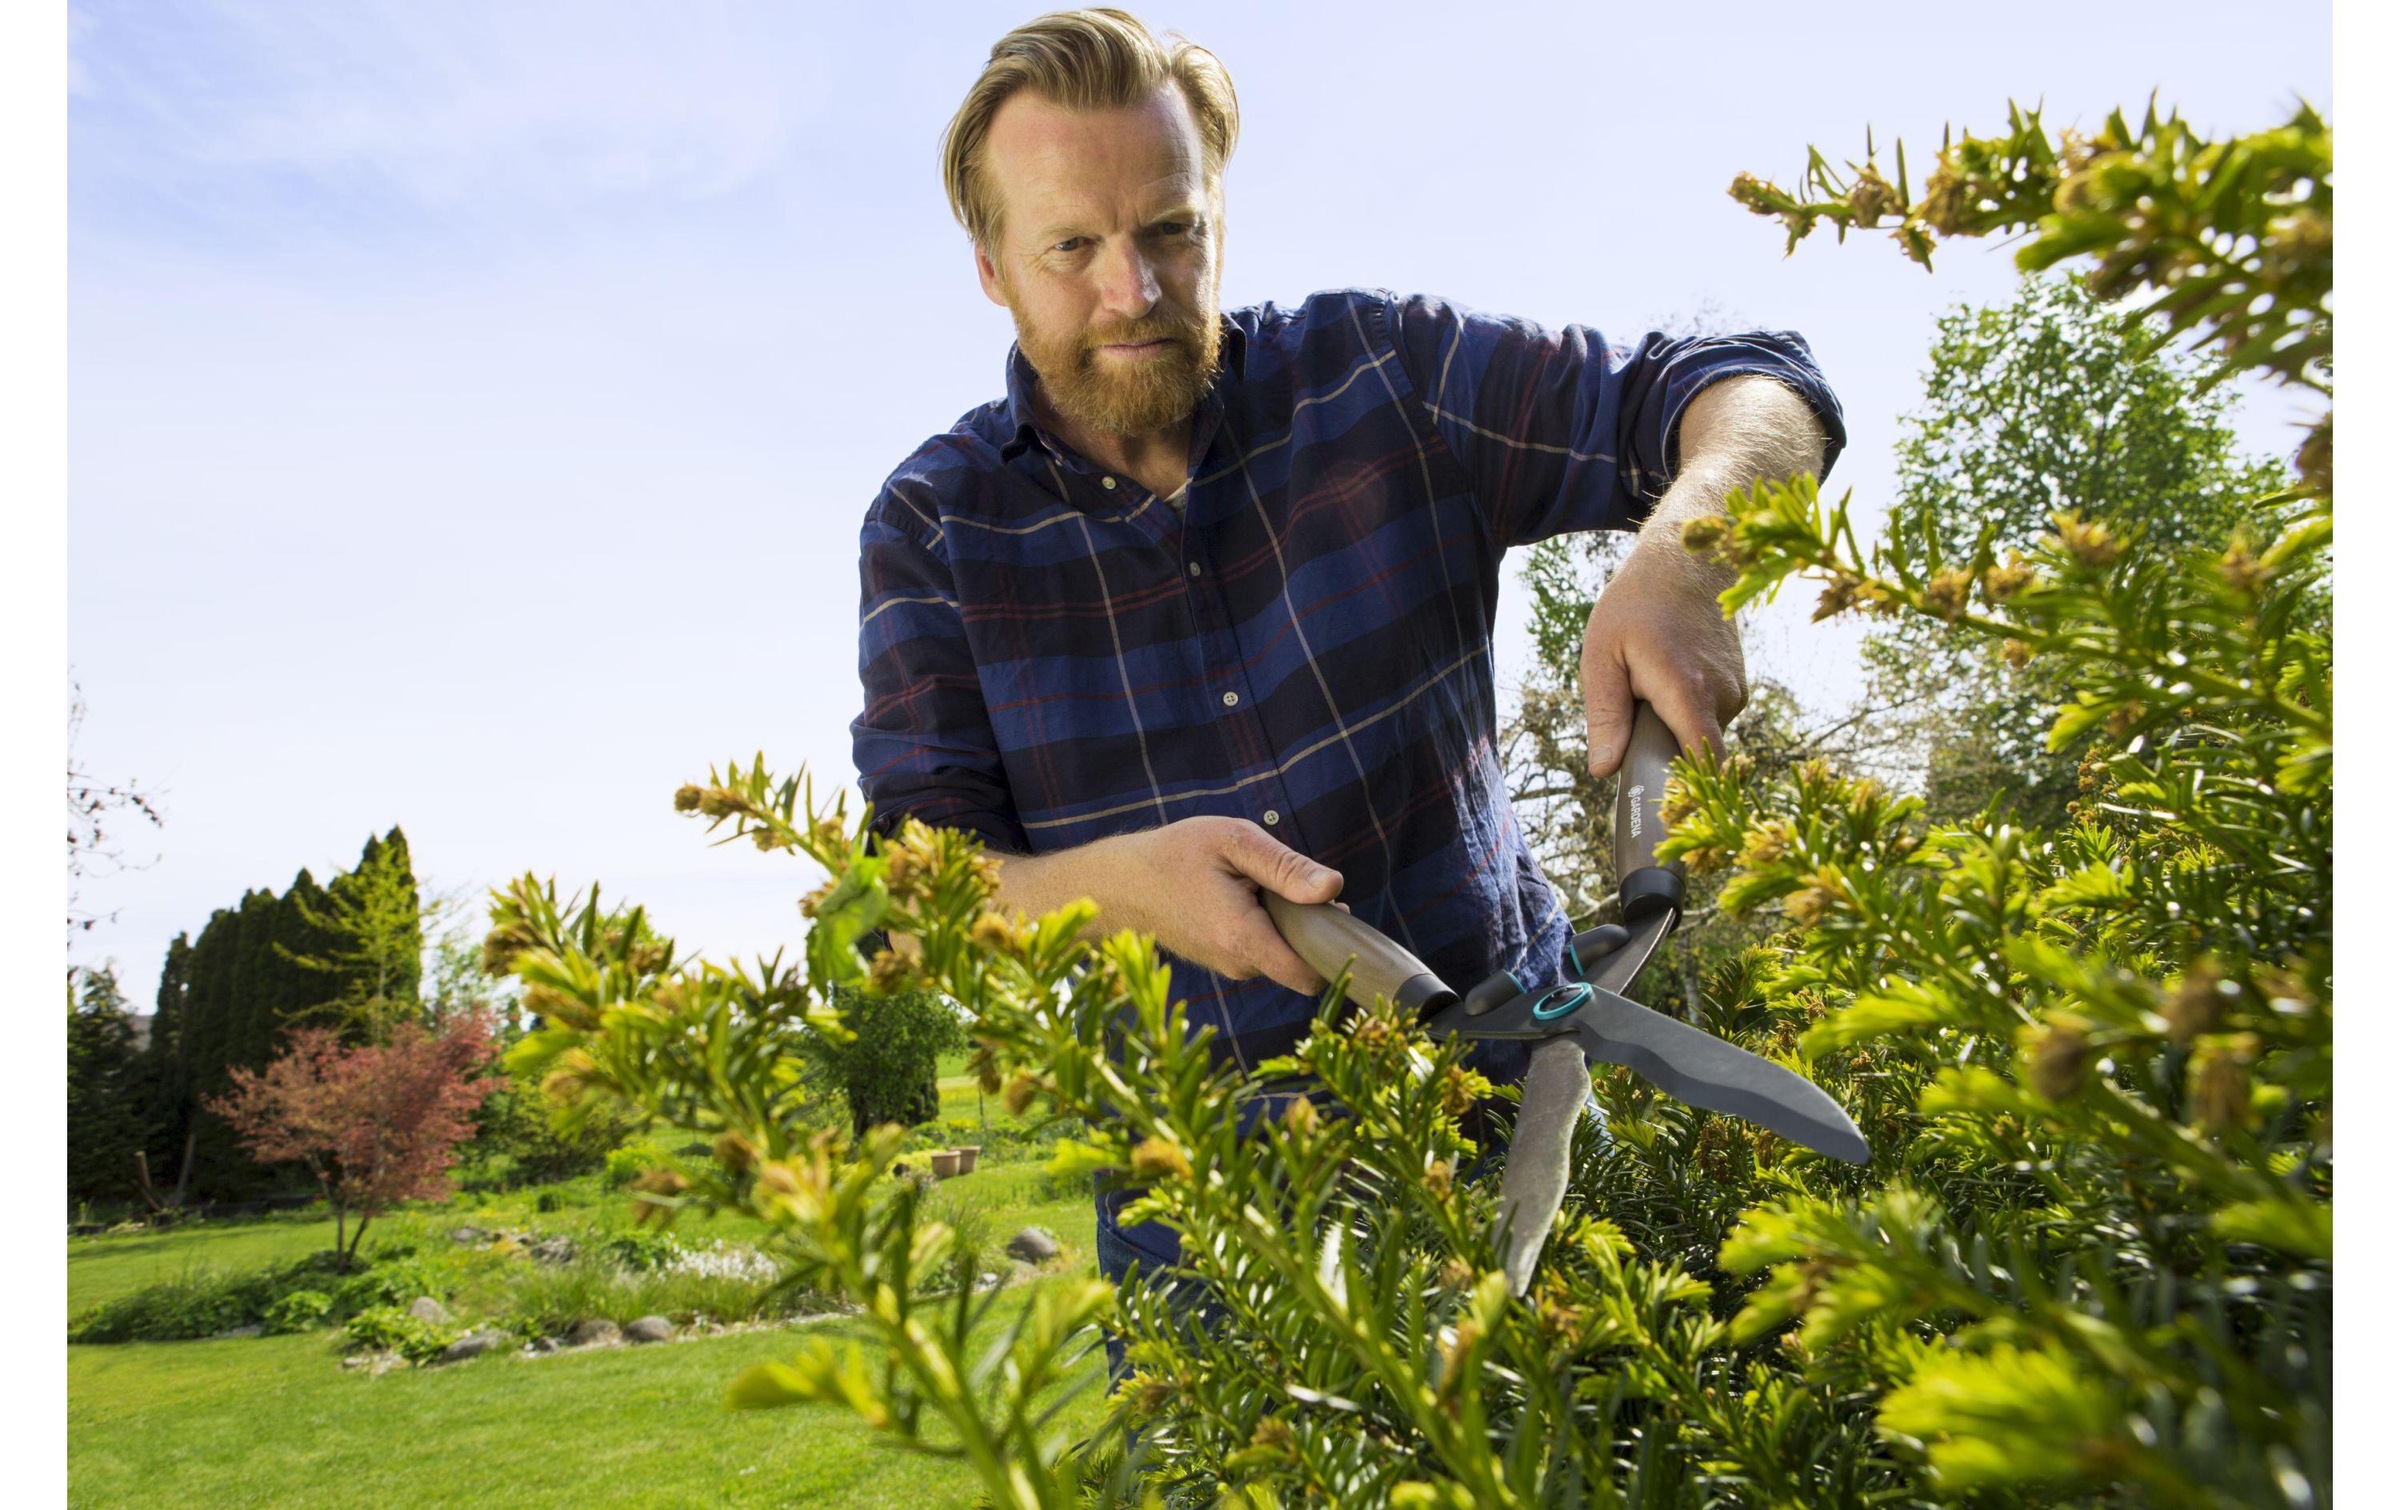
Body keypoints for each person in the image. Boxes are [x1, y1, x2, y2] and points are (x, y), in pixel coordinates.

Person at [851, 7, 1843, 1368]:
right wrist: (1110, 888)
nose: (1133, 290)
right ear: (991, 269)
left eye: (1171, 230)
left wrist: (1692, 544)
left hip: (1522, 1117)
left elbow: (1750, 385)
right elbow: (902, 900)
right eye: (1072, 248)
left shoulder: (1378, 375)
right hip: (1213, 1244)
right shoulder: (934, 528)